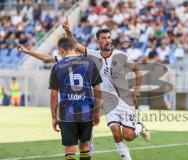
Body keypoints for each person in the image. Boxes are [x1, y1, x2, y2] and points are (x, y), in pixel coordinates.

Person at [19, 17, 150, 160]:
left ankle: (139, 127)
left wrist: (137, 90)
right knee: (115, 135)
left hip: (122, 100)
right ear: (98, 41)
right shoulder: (89, 56)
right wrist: (67, 32)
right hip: (106, 102)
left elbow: (137, 70)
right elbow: (49, 56)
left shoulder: (119, 56)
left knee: (128, 136)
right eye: (104, 38)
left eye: (109, 37)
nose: (107, 40)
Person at [49, 37, 102, 160]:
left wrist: (53, 117)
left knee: (70, 149)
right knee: (84, 147)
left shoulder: (57, 67)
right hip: (86, 111)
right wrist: (97, 112)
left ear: (60, 50)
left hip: (67, 113)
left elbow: (53, 94)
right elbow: (98, 90)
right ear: (74, 48)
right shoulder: (89, 63)